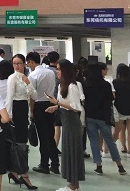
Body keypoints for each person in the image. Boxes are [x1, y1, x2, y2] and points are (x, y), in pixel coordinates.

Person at [46, 59, 85, 191]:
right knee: (68, 151)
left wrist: (57, 103)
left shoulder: (72, 86)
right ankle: (72, 184)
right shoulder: (62, 86)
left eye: (59, 69)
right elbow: (65, 103)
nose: (57, 72)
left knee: (72, 151)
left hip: (72, 122)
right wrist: (56, 107)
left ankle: (73, 186)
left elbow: (75, 107)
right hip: (66, 120)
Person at [83, 63, 126, 175]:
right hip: (103, 117)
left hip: (90, 116)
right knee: (110, 141)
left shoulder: (86, 85)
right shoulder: (106, 85)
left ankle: (98, 166)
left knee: (94, 141)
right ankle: (120, 166)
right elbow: (111, 98)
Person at [5, 54, 37, 189]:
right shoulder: (12, 78)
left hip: (24, 109)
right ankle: (23, 174)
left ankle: (14, 172)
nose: (17, 66)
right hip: (16, 110)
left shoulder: (26, 77)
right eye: (14, 63)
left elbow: (34, 95)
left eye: (19, 63)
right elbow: (9, 97)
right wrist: (9, 115)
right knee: (19, 143)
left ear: (24, 64)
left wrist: (28, 83)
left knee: (21, 142)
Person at [26, 52, 59, 175]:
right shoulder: (50, 73)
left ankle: (44, 164)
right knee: (50, 136)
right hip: (50, 104)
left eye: (28, 63)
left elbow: (32, 96)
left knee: (42, 137)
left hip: (39, 106)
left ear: (31, 61)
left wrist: (31, 111)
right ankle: (55, 164)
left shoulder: (33, 75)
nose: (28, 66)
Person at [113, 63, 130, 155]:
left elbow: (113, 96)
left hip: (120, 109)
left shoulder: (115, 82)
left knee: (119, 131)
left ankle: (122, 147)